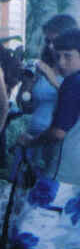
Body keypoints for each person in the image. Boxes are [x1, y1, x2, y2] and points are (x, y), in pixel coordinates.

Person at [15, 27, 80, 249]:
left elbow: (58, 132)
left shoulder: (72, 84)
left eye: (68, 56)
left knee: (26, 234)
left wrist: (30, 141)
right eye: (59, 57)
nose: (62, 63)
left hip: (60, 174)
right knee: (75, 243)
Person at [18, 14, 78, 173]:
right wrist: (27, 85)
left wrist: (52, 79)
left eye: (55, 40)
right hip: (35, 133)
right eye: (47, 41)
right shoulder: (43, 65)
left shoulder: (73, 74)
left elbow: (71, 99)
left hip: (56, 139)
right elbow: (27, 107)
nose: (51, 46)